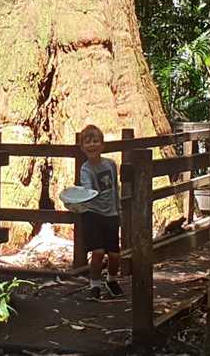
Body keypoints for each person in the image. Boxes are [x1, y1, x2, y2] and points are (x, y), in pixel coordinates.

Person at [78, 124, 126, 299]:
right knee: (98, 252)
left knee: (114, 255)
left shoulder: (111, 164)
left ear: (102, 145)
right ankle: (94, 285)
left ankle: (111, 280)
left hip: (111, 213)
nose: (92, 145)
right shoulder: (85, 169)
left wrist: (118, 208)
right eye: (88, 142)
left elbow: (115, 188)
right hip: (92, 214)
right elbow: (87, 189)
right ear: (83, 148)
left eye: (95, 141)